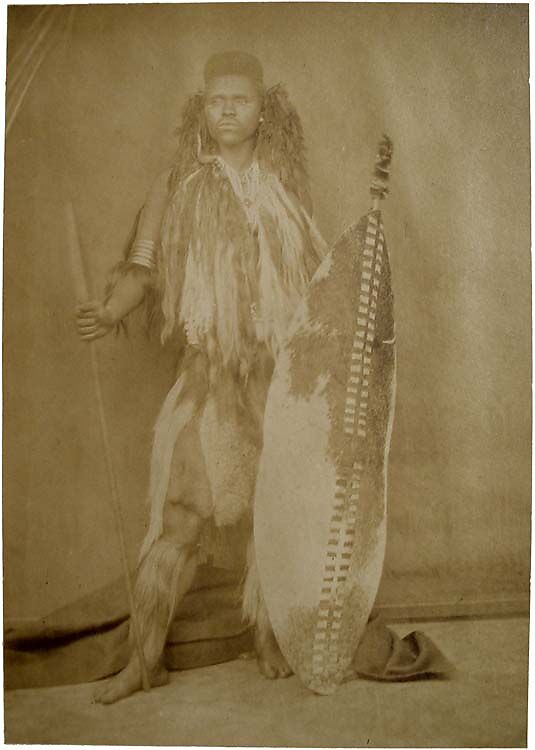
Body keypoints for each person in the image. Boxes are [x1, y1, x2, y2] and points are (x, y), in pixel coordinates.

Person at [76, 50, 327, 704]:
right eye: (216, 99)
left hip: (276, 380)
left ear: (261, 108)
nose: (226, 110)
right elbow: (143, 266)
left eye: (239, 100)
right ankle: (143, 659)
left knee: (277, 514)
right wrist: (108, 312)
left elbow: (313, 281)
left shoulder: (280, 186)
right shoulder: (177, 185)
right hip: (208, 378)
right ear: (201, 104)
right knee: (181, 517)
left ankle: (272, 635)